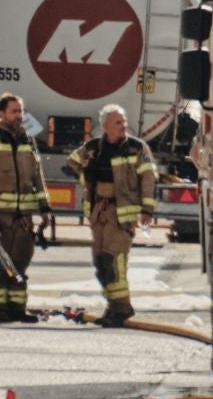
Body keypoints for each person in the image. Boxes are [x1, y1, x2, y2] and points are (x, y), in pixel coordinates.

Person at [65, 104, 156, 327]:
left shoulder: (136, 148)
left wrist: (147, 210)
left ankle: (122, 308)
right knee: (100, 261)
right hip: (99, 212)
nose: (124, 126)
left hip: (121, 215)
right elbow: (72, 161)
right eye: (118, 122)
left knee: (113, 260)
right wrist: (86, 171)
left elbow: (148, 179)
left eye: (124, 121)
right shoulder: (94, 147)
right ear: (105, 126)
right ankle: (113, 306)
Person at [0, 94, 49, 323]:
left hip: (24, 218)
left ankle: (18, 309)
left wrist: (44, 207)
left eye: (20, 111)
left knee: (20, 263)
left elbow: (37, 175)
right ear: (2, 113)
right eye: (14, 111)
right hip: (0, 215)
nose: (18, 116)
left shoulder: (28, 139)